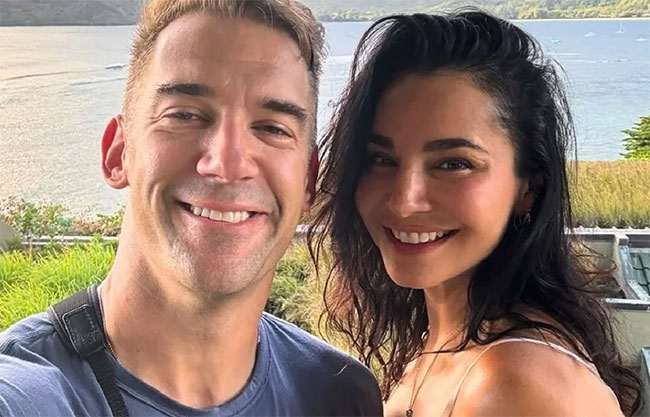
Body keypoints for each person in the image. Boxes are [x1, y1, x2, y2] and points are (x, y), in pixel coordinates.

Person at [0, 1, 383, 415]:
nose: (227, 162)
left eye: (272, 128)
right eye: (184, 115)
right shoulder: (29, 395)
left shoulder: (340, 396)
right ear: (118, 152)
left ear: (308, 181)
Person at [308, 10, 643, 417]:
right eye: (380, 159)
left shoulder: (514, 384)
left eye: (454, 164)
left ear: (527, 188)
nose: (403, 201)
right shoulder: (450, 343)